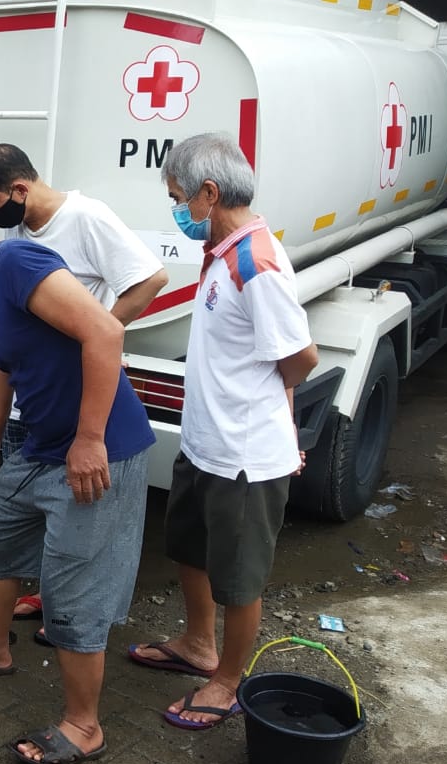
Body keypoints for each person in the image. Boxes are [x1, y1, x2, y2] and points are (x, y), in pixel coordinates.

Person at [0, 173, 154, 764]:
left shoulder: (17, 260)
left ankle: (84, 725)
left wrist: (90, 439)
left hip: (100, 449)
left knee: (73, 587)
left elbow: (105, 330)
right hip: (43, 447)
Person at [129, 133, 317, 730]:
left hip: (243, 455)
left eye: (180, 198)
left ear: (210, 194)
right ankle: (197, 644)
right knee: (189, 547)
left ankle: (228, 681)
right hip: (205, 442)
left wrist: (278, 432)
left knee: (238, 577)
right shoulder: (222, 250)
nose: (177, 209)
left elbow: (300, 358)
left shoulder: (254, 262)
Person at [0, 143, 169, 631]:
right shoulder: (17, 232)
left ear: (20, 188)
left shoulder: (86, 218)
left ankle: (71, 614)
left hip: (79, 395)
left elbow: (151, 278)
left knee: (75, 513)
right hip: (31, 397)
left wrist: (97, 328)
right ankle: (42, 591)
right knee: (29, 511)